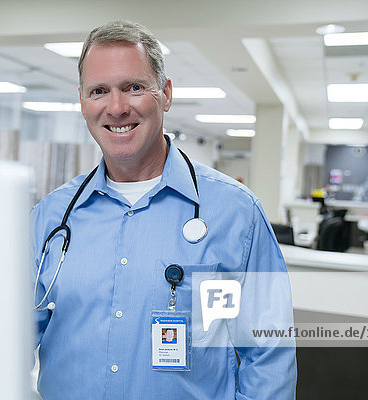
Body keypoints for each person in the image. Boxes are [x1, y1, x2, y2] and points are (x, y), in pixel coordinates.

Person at [31, 20, 297, 399]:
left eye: (134, 87)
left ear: (166, 94)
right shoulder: (50, 219)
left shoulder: (236, 214)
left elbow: (269, 354)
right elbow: (8, 341)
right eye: (99, 91)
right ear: (82, 102)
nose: (117, 107)